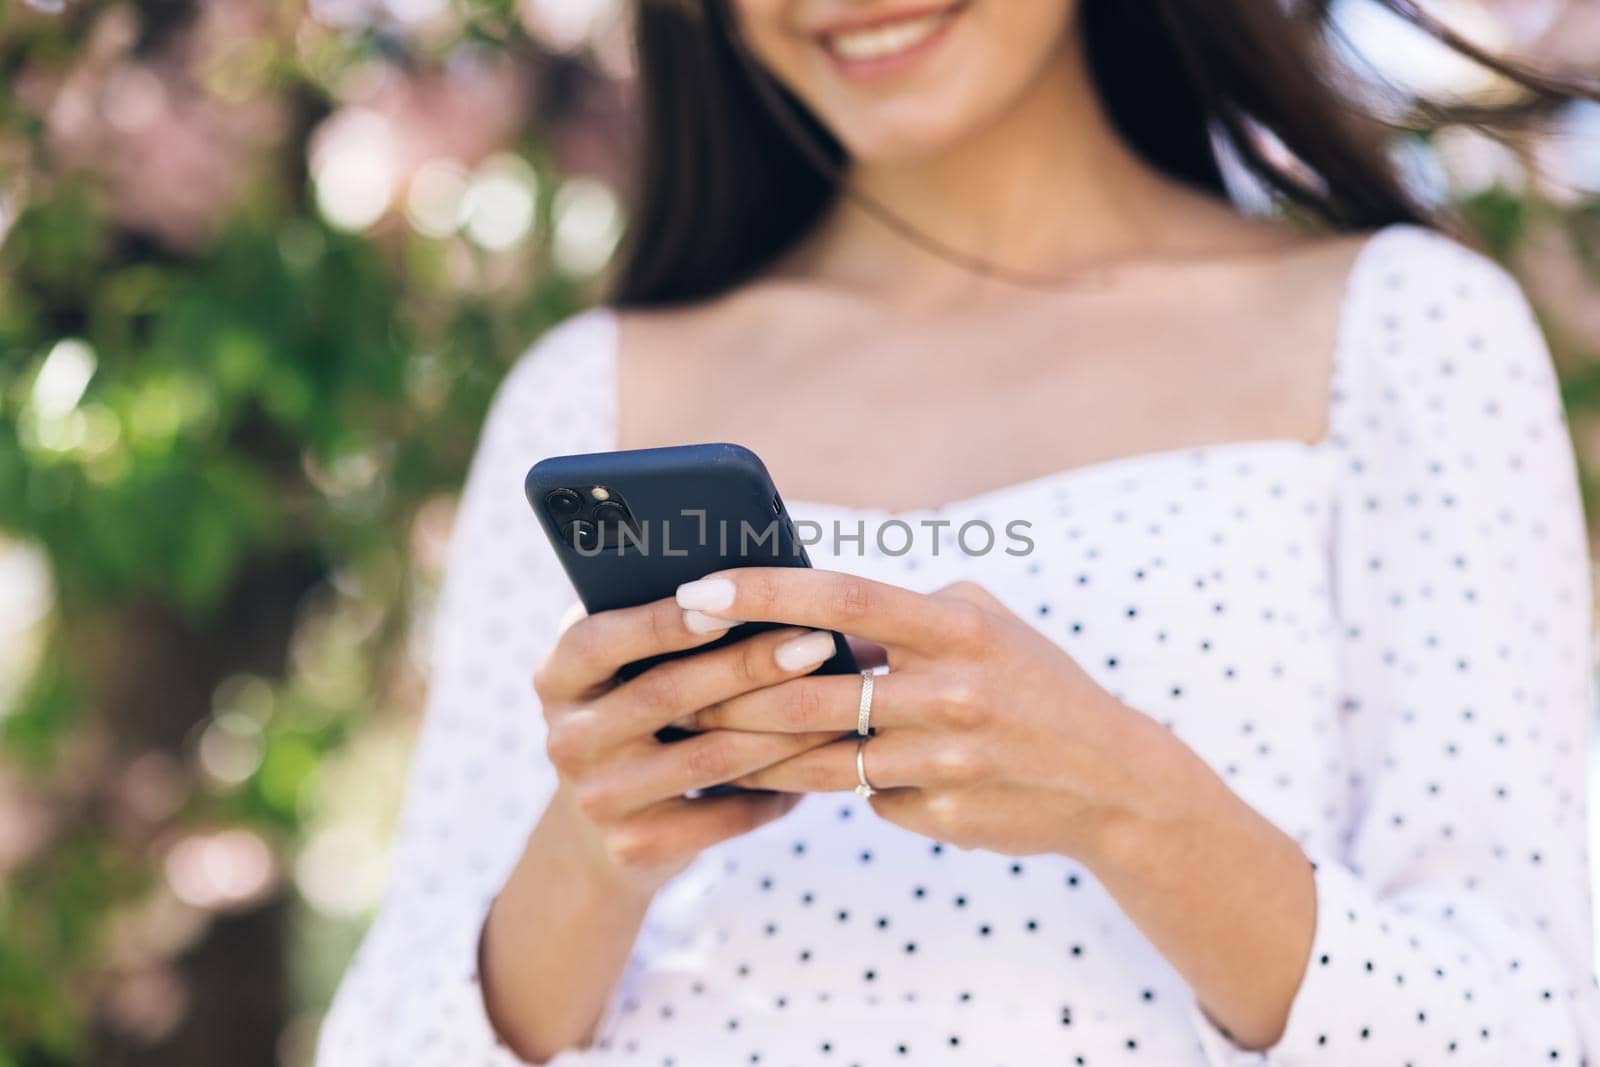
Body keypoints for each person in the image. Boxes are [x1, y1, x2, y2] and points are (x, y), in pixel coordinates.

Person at [317, 1, 1600, 1063]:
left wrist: (1130, 802)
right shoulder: (583, 394)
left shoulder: (1403, 335)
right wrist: (599, 849)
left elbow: (1532, 1027)